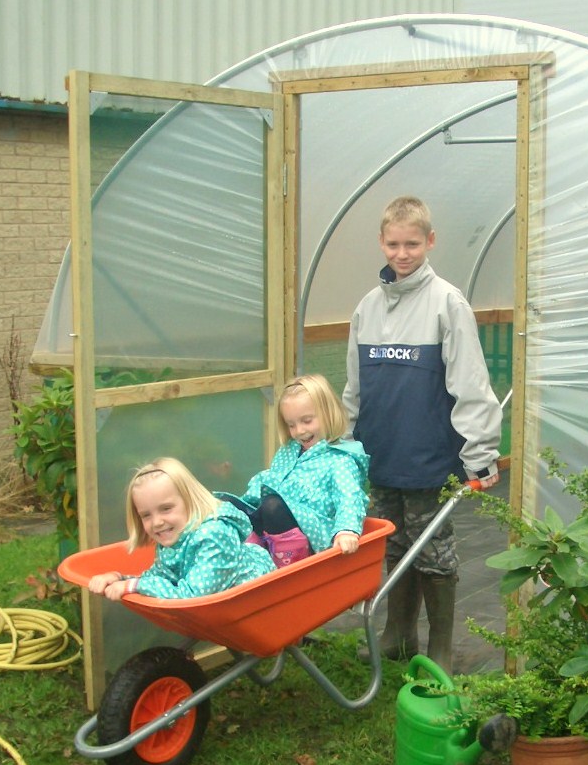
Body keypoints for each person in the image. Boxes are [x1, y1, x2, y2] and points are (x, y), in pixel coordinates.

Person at [343, 195, 502, 673]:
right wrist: (348, 447)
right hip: (380, 454)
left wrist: (480, 454)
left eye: (412, 243)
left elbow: (471, 384)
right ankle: (397, 635)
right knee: (393, 545)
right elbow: (355, 386)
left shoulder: (447, 304)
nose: (402, 253)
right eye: (393, 244)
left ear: (430, 241)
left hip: (430, 458)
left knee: (434, 549)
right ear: (381, 242)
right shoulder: (367, 309)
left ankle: (440, 645)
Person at [228, 374, 370, 564]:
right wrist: (246, 504)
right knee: (227, 507)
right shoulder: (289, 451)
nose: (299, 431)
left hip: (312, 537)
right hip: (274, 525)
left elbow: (349, 497)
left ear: (329, 413)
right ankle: (253, 555)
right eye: (291, 425)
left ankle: (288, 563)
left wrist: (346, 530)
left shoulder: (339, 460)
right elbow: (271, 481)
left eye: (307, 420)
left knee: (272, 505)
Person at [88, 457, 275, 601]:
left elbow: (194, 595)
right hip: (223, 605)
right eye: (146, 515)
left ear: (190, 501)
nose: (157, 522)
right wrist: (119, 579)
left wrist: (134, 586)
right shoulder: (175, 538)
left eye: (166, 509)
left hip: (258, 601)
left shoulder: (214, 535)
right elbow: (159, 578)